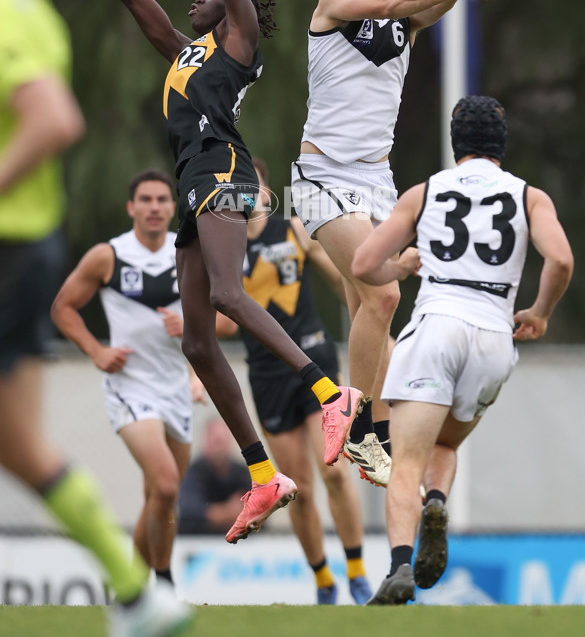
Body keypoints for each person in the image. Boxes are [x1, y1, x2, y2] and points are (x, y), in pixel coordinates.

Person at [117, 0, 363, 545]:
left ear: (234, 6)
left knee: (228, 294)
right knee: (198, 341)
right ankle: (265, 474)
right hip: (196, 178)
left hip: (223, 168)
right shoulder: (185, 52)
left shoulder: (239, 39)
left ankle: (332, 394)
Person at [0, 0, 190, 636]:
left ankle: (142, 591)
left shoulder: (10, 11)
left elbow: (53, 118)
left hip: (11, 248)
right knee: (19, 447)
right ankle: (139, 596)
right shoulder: (33, 6)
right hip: (32, 255)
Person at [291, 0, 515, 487]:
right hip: (320, 177)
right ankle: (352, 410)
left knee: (370, 310)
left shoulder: (402, 18)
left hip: (375, 183)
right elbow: (390, 3)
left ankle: (367, 437)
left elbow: (416, 10)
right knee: (385, 293)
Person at [351, 95, 574, 604]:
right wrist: (539, 312)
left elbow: (364, 264)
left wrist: (402, 268)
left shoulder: (425, 192)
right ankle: (436, 500)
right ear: (502, 143)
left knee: (404, 462)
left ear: (456, 144)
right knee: (445, 446)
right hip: (494, 336)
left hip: (437, 326)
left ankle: (400, 567)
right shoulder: (530, 196)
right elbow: (560, 260)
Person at [216, 157, 372, 604]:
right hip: (266, 375)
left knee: (336, 476)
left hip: (313, 359)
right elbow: (224, 324)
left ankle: (357, 573)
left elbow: (347, 276)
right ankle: (323, 580)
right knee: (295, 486)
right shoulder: (223, 245)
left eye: (255, 186)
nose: (247, 195)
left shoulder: (294, 229)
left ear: (266, 192)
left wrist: (373, 305)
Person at [51, 168, 205, 586]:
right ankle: (164, 584)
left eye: (162, 200)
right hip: (130, 388)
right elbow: (63, 308)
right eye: (146, 200)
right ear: (131, 207)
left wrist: (190, 325)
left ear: (174, 208)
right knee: (167, 484)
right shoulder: (108, 256)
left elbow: (225, 320)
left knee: (160, 498)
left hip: (176, 389)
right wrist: (96, 350)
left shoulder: (190, 252)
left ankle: (131, 589)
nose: (154, 207)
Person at [178, 417, 251, 535]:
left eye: (222, 442)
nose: (219, 448)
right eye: (216, 441)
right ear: (206, 442)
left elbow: (260, 512)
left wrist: (213, 514)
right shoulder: (192, 472)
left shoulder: (243, 473)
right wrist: (230, 512)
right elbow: (189, 514)